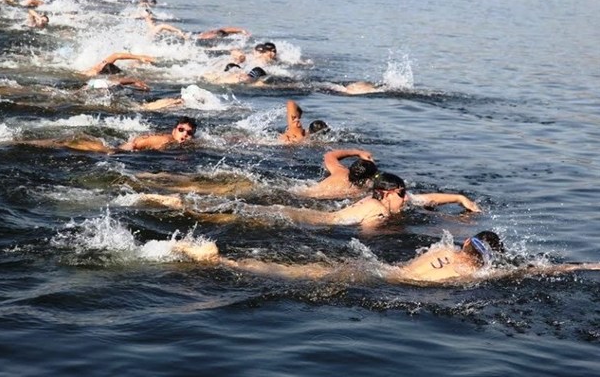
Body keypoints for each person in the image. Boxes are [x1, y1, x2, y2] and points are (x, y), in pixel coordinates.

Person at [170, 230, 600, 286]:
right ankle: (220, 263)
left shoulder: (444, 246)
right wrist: (589, 265)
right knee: (300, 279)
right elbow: (544, 268)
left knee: (297, 271)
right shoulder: (480, 272)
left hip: (381, 269)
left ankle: (223, 260)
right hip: (386, 283)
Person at [136, 172, 480, 229]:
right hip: (304, 220)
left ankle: (170, 201)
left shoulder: (394, 201)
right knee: (231, 214)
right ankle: (170, 202)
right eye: (403, 194)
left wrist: (461, 199)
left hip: (301, 213)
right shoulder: (377, 210)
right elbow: (368, 236)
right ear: (389, 194)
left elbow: (430, 197)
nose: (408, 198)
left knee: (234, 212)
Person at [24, 116, 197, 153]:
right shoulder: (165, 139)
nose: (184, 134)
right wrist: (117, 152)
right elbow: (137, 143)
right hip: (115, 151)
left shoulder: (180, 144)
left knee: (68, 142)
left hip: (120, 149)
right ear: (174, 130)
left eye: (189, 133)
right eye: (181, 130)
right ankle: (28, 142)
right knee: (67, 143)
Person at [296, 148, 378, 199]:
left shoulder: (341, 172)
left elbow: (329, 155)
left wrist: (358, 153)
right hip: (307, 200)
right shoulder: (359, 192)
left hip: (299, 192)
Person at [82, 52, 155, 77]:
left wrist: (139, 57)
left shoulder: (102, 65)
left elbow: (116, 55)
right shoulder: (92, 74)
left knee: (134, 64)